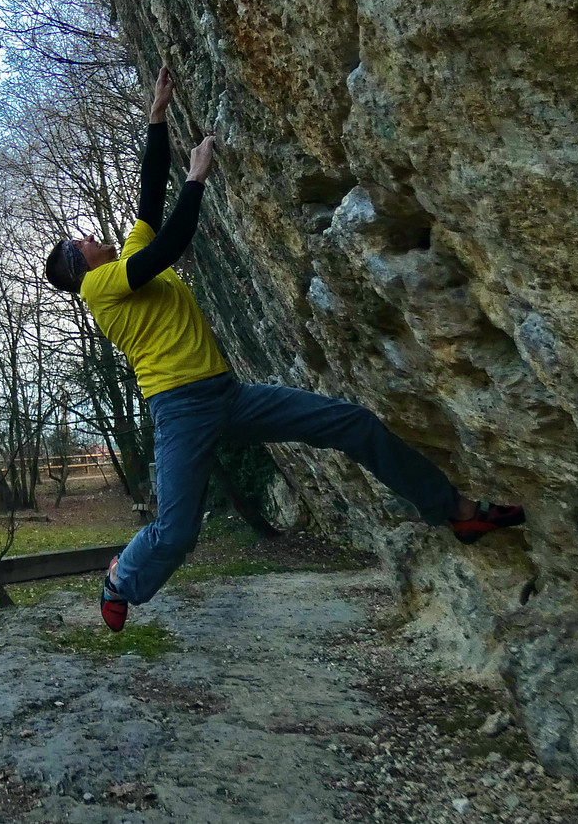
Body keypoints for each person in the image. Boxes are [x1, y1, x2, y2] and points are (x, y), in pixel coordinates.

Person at [44, 65, 526, 632]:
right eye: (81, 243)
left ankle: (457, 512)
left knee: (352, 423)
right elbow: (170, 244)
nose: (91, 236)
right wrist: (196, 179)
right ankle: (121, 579)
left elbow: (149, 205)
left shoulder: (122, 263)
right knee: (177, 533)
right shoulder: (99, 288)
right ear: (80, 267)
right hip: (180, 409)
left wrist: (157, 115)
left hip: (227, 396)